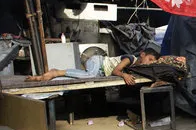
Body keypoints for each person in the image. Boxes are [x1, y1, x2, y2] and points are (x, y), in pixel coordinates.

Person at [26, 48, 160, 86]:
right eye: (149, 59)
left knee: (81, 77)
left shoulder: (138, 66)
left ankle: (50, 76)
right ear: (142, 54)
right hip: (97, 61)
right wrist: (124, 75)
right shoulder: (130, 58)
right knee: (90, 76)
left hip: (99, 70)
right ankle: (56, 72)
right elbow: (115, 70)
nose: (149, 63)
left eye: (152, 62)